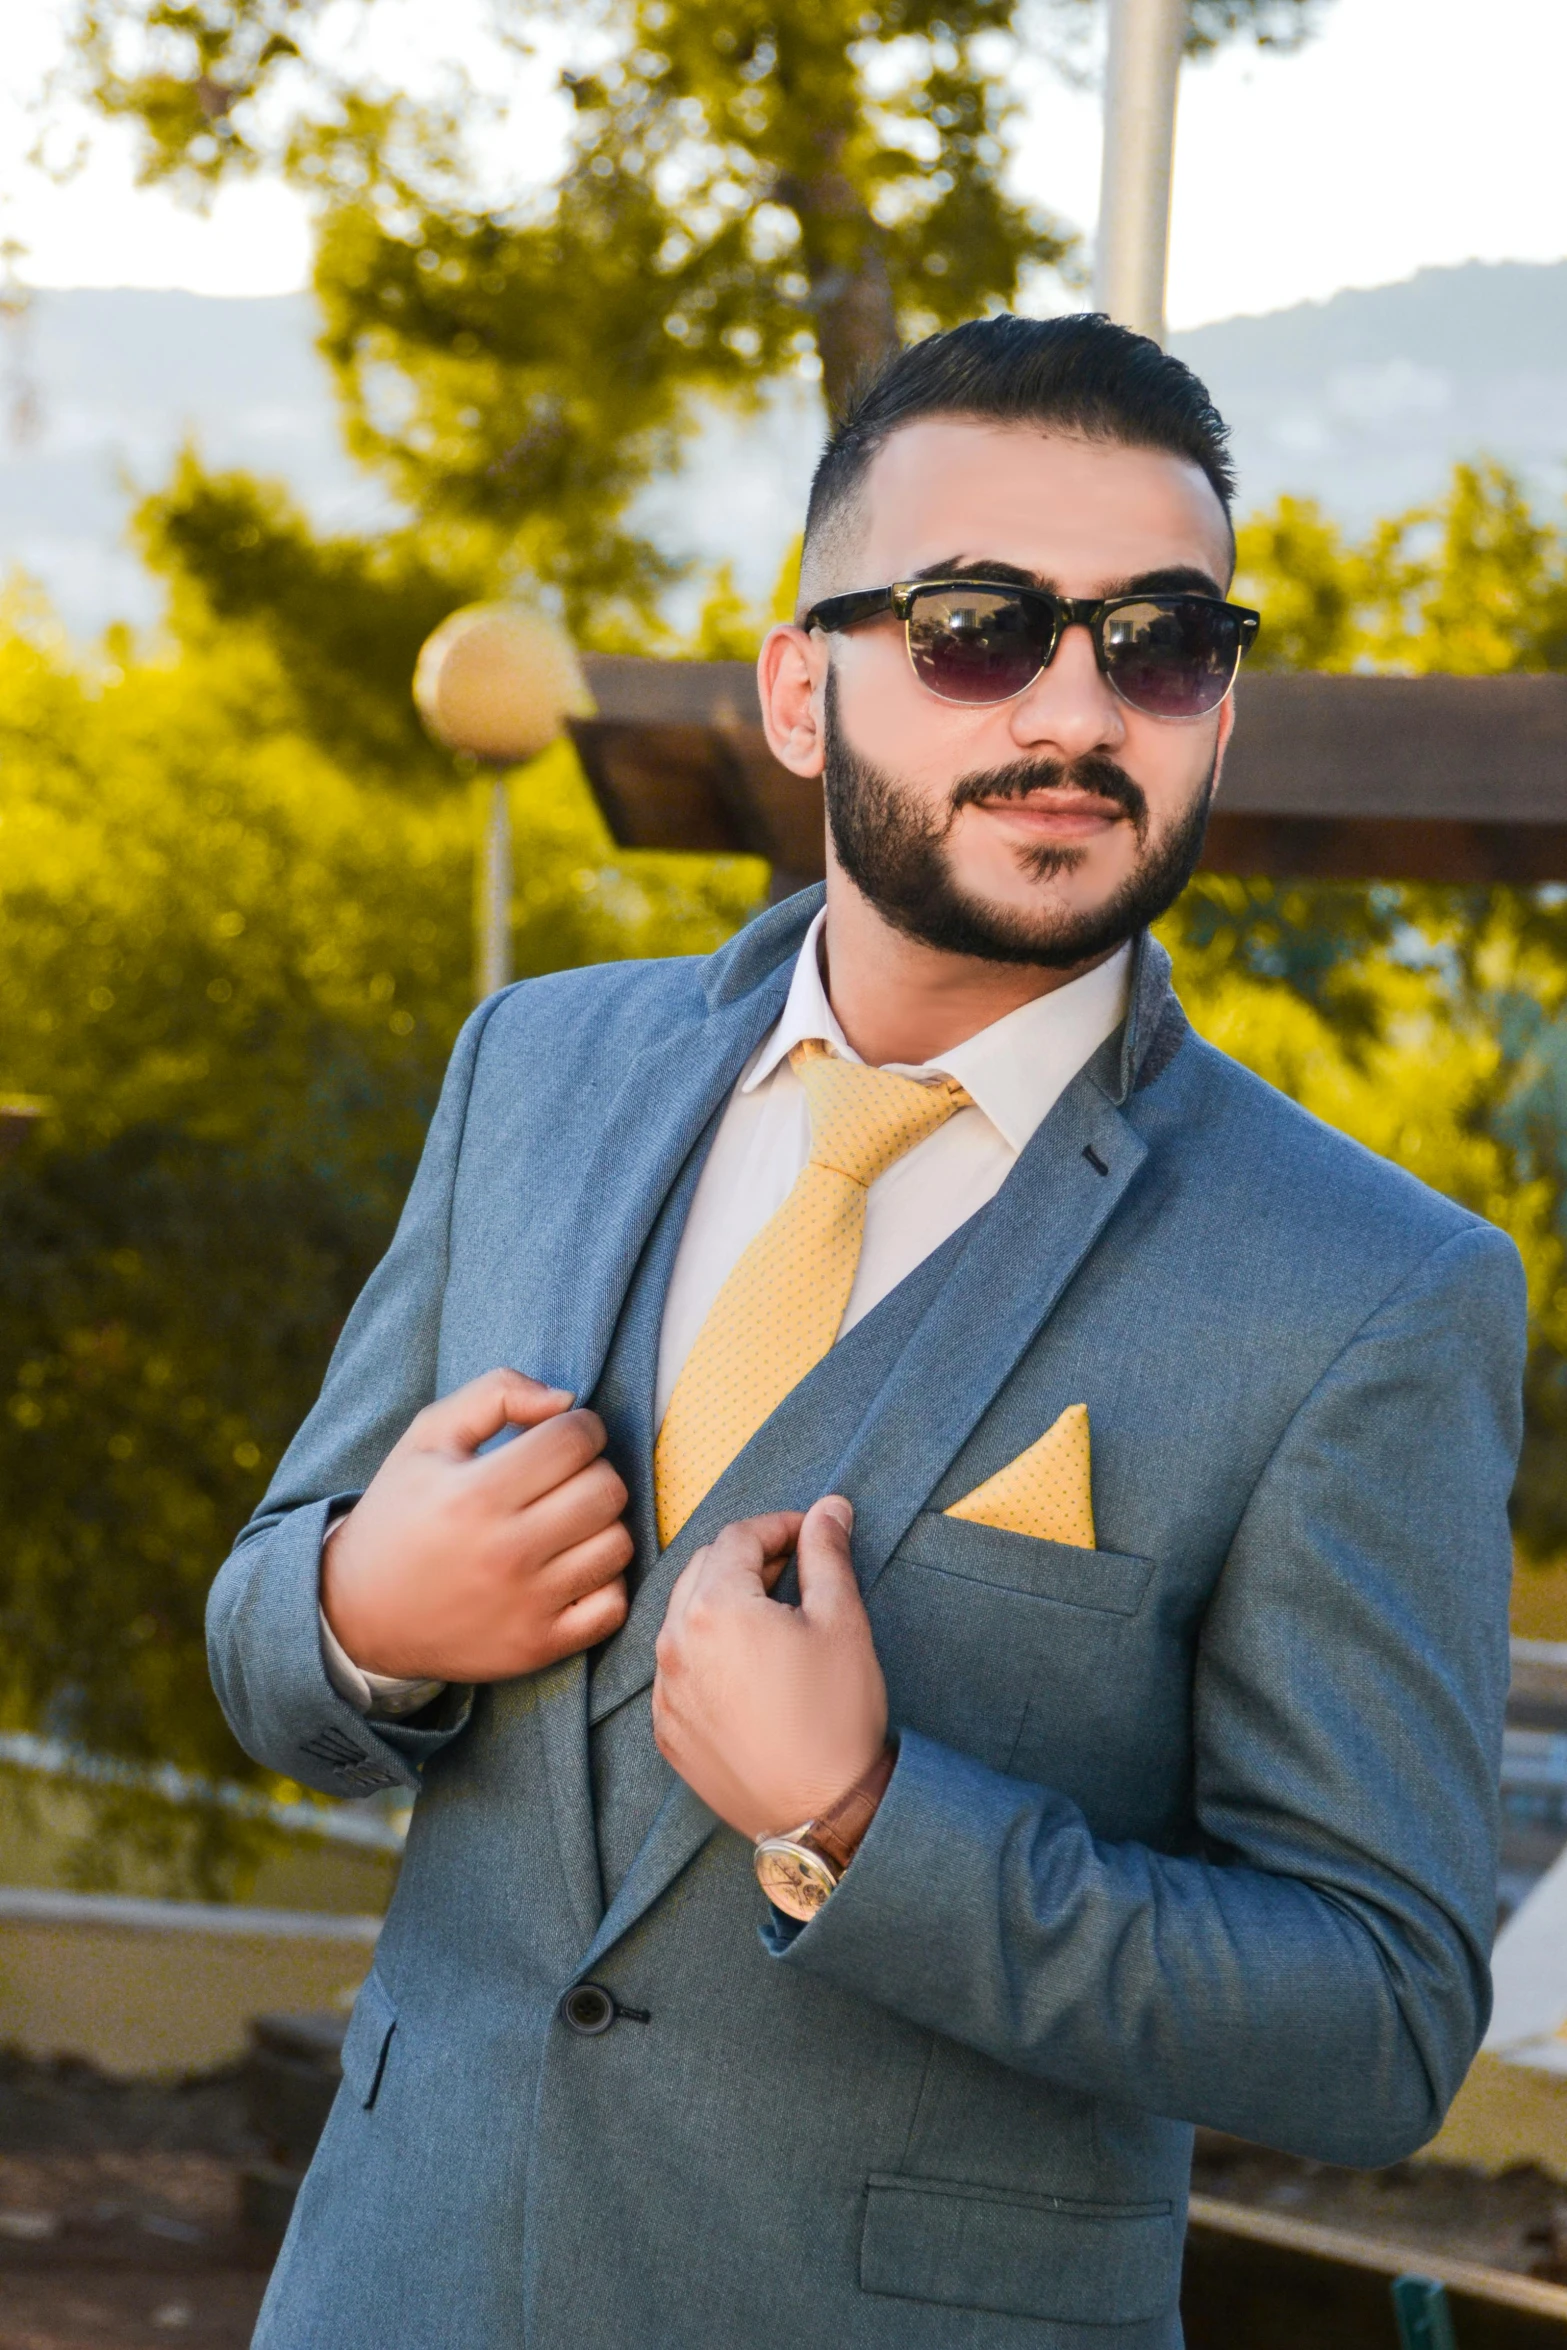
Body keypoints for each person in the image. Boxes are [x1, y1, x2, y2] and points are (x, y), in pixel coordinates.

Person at [211, 313, 1524, 2350]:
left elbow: (1383, 2015)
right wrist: (363, 1607)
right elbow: (265, 1641)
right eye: (982, 623)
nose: (1078, 708)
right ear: (799, 690)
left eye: (1162, 640)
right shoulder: (535, 1069)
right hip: (393, 2283)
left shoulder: (1368, 1287)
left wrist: (871, 1827)